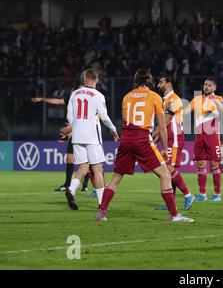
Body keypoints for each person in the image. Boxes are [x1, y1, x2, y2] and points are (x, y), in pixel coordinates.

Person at [96, 69, 193, 223]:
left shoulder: (127, 97)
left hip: (126, 139)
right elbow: (162, 127)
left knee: (115, 178)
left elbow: (125, 121)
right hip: (142, 139)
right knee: (165, 175)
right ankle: (174, 215)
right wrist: (166, 149)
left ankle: (102, 212)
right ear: (149, 81)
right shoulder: (154, 97)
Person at [63, 69, 118, 210]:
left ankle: (71, 189)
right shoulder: (98, 95)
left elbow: (69, 116)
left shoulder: (74, 94)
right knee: (97, 169)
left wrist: (75, 127)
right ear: (97, 79)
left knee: (83, 168)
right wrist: (113, 129)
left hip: (77, 136)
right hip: (92, 137)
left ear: (84, 78)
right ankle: (102, 204)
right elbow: (104, 117)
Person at [32, 87, 90, 192]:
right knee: (69, 159)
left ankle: (85, 184)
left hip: (85, 133)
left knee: (86, 162)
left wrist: (71, 129)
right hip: (74, 133)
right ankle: (67, 184)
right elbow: (58, 101)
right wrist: (43, 99)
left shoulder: (90, 101)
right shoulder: (73, 98)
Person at [153, 75, 195, 211]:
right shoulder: (165, 100)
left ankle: (188, 195)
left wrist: (150, 136)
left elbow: (164, 123)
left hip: (175, 138)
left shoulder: (174, 100)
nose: (158, 85)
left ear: (169, 83)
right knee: (169, 171)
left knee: (168, 170)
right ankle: (171, 203)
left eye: (161, 82)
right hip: (169, 138)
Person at [184, 77, 223, 201]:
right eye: (205, 84)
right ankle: (202, 194)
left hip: (212, 136)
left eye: (210, 85)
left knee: (214, 165)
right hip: (199, 136)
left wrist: (214, 100)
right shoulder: (197, 99)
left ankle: (217, 195)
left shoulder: (218, 99)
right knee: (201, 165)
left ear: (214, 88)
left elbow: (222, 111)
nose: (206, 87)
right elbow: (185, 112)